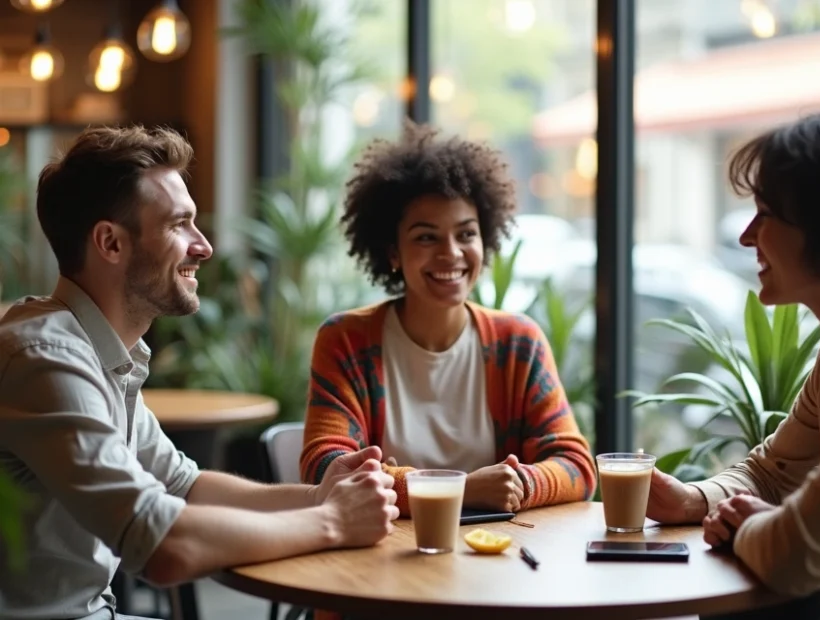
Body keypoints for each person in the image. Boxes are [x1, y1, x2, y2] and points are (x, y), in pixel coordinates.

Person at [0, 126, 399, 620]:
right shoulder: (45, 358)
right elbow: (165, 548)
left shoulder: (98, 352)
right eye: (179, 225)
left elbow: (183, 485)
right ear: (110, 243)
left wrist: (318, 496)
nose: (204, 246)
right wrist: (333, 521)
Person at [645, 110, 820, 620]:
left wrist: (747, 526)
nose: (746, 236)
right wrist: (693, 499)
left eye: (765, 213)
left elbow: (800, 555)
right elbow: (771, 473)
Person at [300, 122, 596, 516]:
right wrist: (462, 489)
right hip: (387, 547)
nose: (451, 253)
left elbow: (576, 467)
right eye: (426, 237)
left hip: (499, 547)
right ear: (393, 251)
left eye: (466, 234)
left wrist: (518, 484)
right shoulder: (347, 341)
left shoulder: (518, 343)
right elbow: (326, 468)